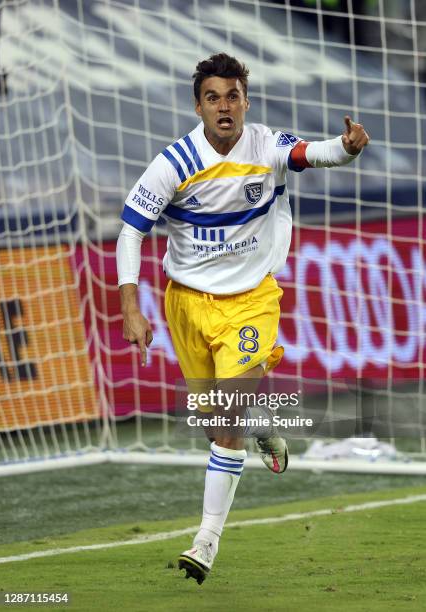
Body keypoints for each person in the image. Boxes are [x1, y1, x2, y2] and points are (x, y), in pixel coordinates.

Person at [116, 53, 369, 584]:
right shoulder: (175, 162)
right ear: (198, 106)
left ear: (245, 100)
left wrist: (345, 149)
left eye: (232, 96)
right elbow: (131, 232)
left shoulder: (267, 146)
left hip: (252, 301)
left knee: (225, 422)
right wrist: (130, 306)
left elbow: (312, 153)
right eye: (213, 98)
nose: (224, 107)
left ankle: (205, 542)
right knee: (218, 427)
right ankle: (262, 424)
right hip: (186, 304)